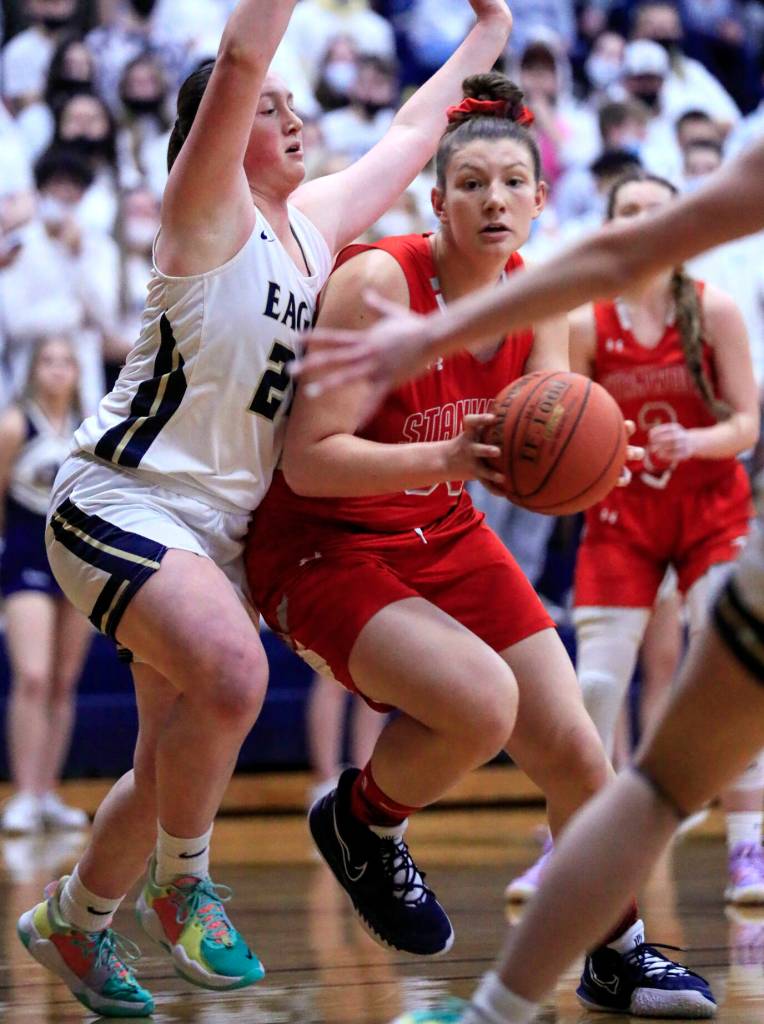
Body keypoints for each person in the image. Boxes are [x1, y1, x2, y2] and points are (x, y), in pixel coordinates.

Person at [14, 0, 514, 1018]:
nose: (288, 115)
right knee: (236, 676)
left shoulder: (312, 227)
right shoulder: (208, 209)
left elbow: (415, 131)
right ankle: (184, 883)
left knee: (169, 760)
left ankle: (74, 914)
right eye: (267, 107)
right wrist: (259, 60)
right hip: (123, 494)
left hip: (213, 533)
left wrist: (487, 34)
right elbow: (244, 49)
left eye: (295, 105)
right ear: (216, 133)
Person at [246, 72, 712, 1014]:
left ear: (541, 201)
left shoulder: (542, 302)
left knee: (581, 754)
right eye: (472, 184)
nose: (493, 200)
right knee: (483, 706)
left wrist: (591, 455)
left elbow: (544, 440)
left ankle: (615, 951)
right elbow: (308, 463)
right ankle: (363, 826)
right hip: (324, 541)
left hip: (441, 527)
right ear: (439, 200)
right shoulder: (380, 280)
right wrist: (453, 452)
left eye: (512, 183)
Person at [508, 170, 763, 906]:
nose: (646, 225)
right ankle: (564, 846)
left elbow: (747, 425)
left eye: (659, 213)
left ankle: (748, 849)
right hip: (623, 515)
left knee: (735, 685)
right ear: (613, 230)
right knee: (592, 686)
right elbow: (566, 422)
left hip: (711, 508)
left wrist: (699, 441)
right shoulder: (587, 325)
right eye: (631, 214)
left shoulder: (716, 312)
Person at [0, 334, 91, 836]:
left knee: (63, 679)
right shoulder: (14, 424)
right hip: (24, 554)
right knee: (32, 675)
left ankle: (48, 791)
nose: (58, 369)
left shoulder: (86, 429)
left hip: (72, 558)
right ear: (34, 370)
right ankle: (23, 793)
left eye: (67, 360)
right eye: (49, 360)